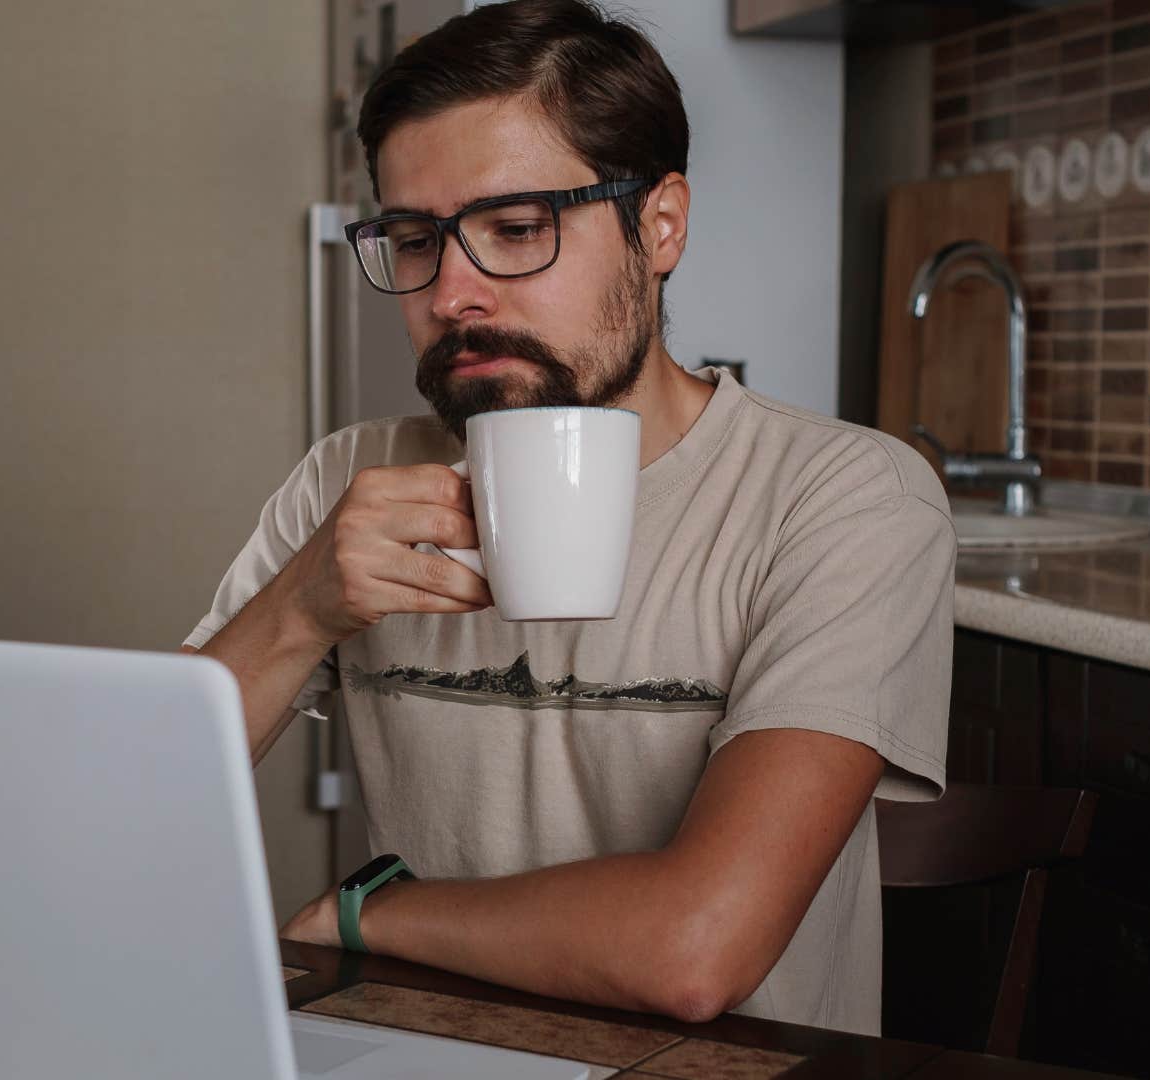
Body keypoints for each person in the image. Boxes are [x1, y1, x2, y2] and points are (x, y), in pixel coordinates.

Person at [183, 0, 953, 1033]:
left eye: (515, 229)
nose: (453, 291)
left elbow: (696, 950)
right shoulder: (350, 481)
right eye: (416, 240)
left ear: (661, 224)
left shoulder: (843, 499)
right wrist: (298, 609)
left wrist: (373, 913)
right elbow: (122, 814)